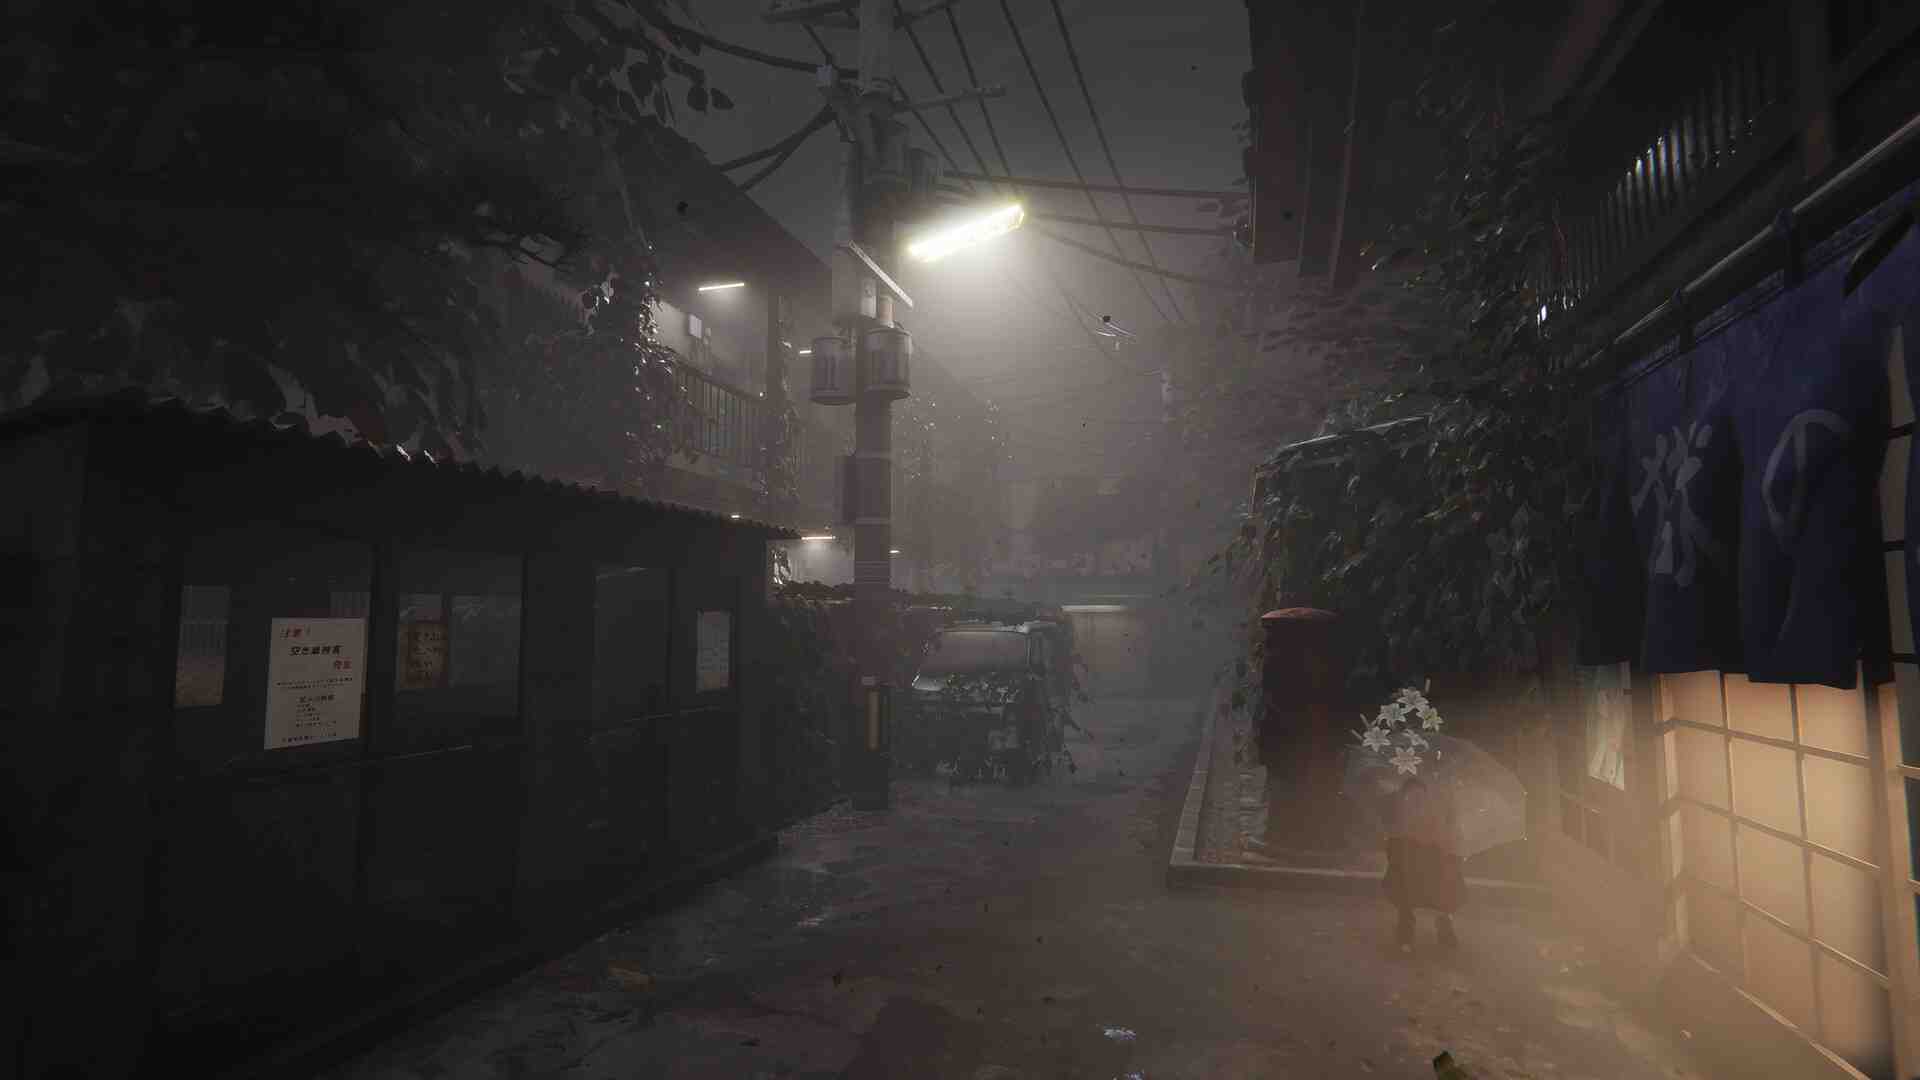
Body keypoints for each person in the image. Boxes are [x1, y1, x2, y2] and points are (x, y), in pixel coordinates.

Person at [1383, 774, 1464, 950]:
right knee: (1404, 888)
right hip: (1408, 859)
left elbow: (1451, 840)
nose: (1415, 801)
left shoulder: (1438, 810)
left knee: (1445, 887)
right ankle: (1406, 930)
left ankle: (1443, 926)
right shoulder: (1400, 816)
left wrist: (1442, 846)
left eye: (1419, 797)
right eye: (1411, 797)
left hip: (1435, 859)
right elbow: (1392, 848)